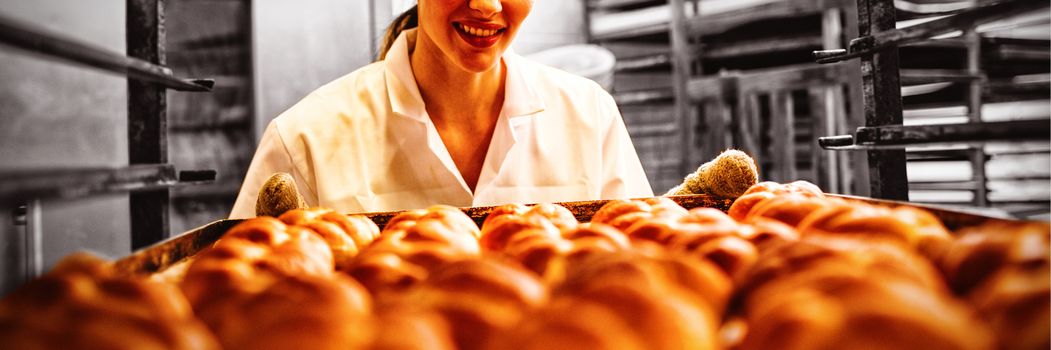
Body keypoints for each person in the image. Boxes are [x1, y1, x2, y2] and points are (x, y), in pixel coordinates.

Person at [229, 0, 652, 218]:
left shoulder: (589, 117)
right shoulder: (305, 140)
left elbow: (645, 271)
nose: (487, 5)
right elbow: (236, 304)